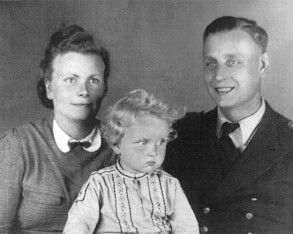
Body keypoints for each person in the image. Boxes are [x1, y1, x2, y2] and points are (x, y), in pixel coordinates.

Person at [163, 16, 293, 234]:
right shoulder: (180, 137)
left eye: (233, 62)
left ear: (262, 65)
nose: (218, 75)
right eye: (210, 63)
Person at [0, 24, 113, 234]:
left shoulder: (120, 145)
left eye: (94, 80)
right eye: (71, 80)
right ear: (50, 87)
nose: (83, 91)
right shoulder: (18, 145)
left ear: (104, 87)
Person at [63, 89, 199, 234]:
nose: (153, 151)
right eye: (143, 142)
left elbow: (187, 227)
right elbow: (79, 221)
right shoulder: (100, 183)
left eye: (161, 142)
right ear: (116, 144)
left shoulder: (170, 184)